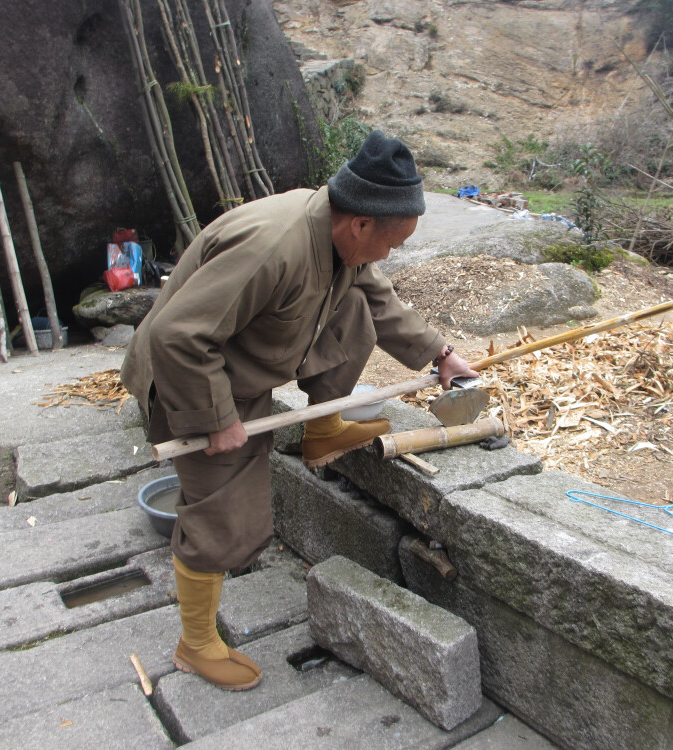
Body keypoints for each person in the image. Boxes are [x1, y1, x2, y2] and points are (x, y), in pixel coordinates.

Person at [121, 130, 477, 691]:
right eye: (393, 241)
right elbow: (178, 336)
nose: (392, 253)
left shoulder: (337, 236)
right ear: (361, 223)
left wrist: (441, 353)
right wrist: (215, 418)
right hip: (190, 378)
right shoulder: (274, 247)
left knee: (358, 305)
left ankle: (323, 428)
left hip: (242, 353)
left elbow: (377, 298)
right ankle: (195, 643)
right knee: (228, 515)